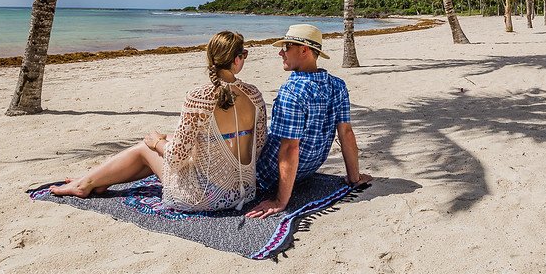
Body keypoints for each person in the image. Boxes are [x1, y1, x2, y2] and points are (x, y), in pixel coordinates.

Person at [50, 31, 267, 212]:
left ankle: (85, 183)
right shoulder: (253, 95)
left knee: (145, 148)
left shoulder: (200, 97)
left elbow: (175, 158)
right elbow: (258, 146)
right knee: (171, 139)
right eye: (244, 54)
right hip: (244, 191)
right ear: (237, 60)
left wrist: (156, 143)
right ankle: (98, 181)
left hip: (207, 197)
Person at [247, 24, 371, 219]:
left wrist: (280, 201)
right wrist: (354, 178)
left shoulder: (292, 91)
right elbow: (346, 133)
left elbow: (290, 148)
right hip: (307, 169)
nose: (281, 52)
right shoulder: (337, 85)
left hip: (266, 175)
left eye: (287, 47)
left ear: (304, 50)